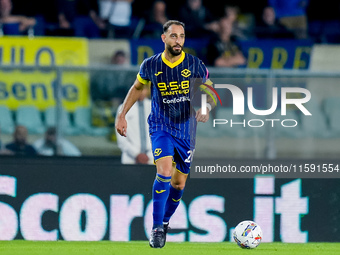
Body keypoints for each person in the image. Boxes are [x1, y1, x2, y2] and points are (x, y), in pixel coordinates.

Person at [115, 20, 216, 248]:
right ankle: (157, 228)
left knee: (179, 185)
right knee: (164, 171)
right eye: (173, 36)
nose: (178, 40)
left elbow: (209, 89)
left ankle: (166, 221)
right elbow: (137, 87)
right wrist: (122, 114)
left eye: (181, 36)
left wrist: (206, 107)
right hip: (161, 126)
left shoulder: (193, 64)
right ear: (164, 38)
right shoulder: (151, 65)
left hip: (186, 131)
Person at [115, 87, 153, 164]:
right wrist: (136, 154)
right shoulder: (123, 108)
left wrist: (150, 154)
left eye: (143, 89)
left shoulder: (154, 107)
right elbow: (121, 137)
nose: (141, 92)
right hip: (130, 158)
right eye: (138, 89)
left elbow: (161, 132)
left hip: (152, 157)